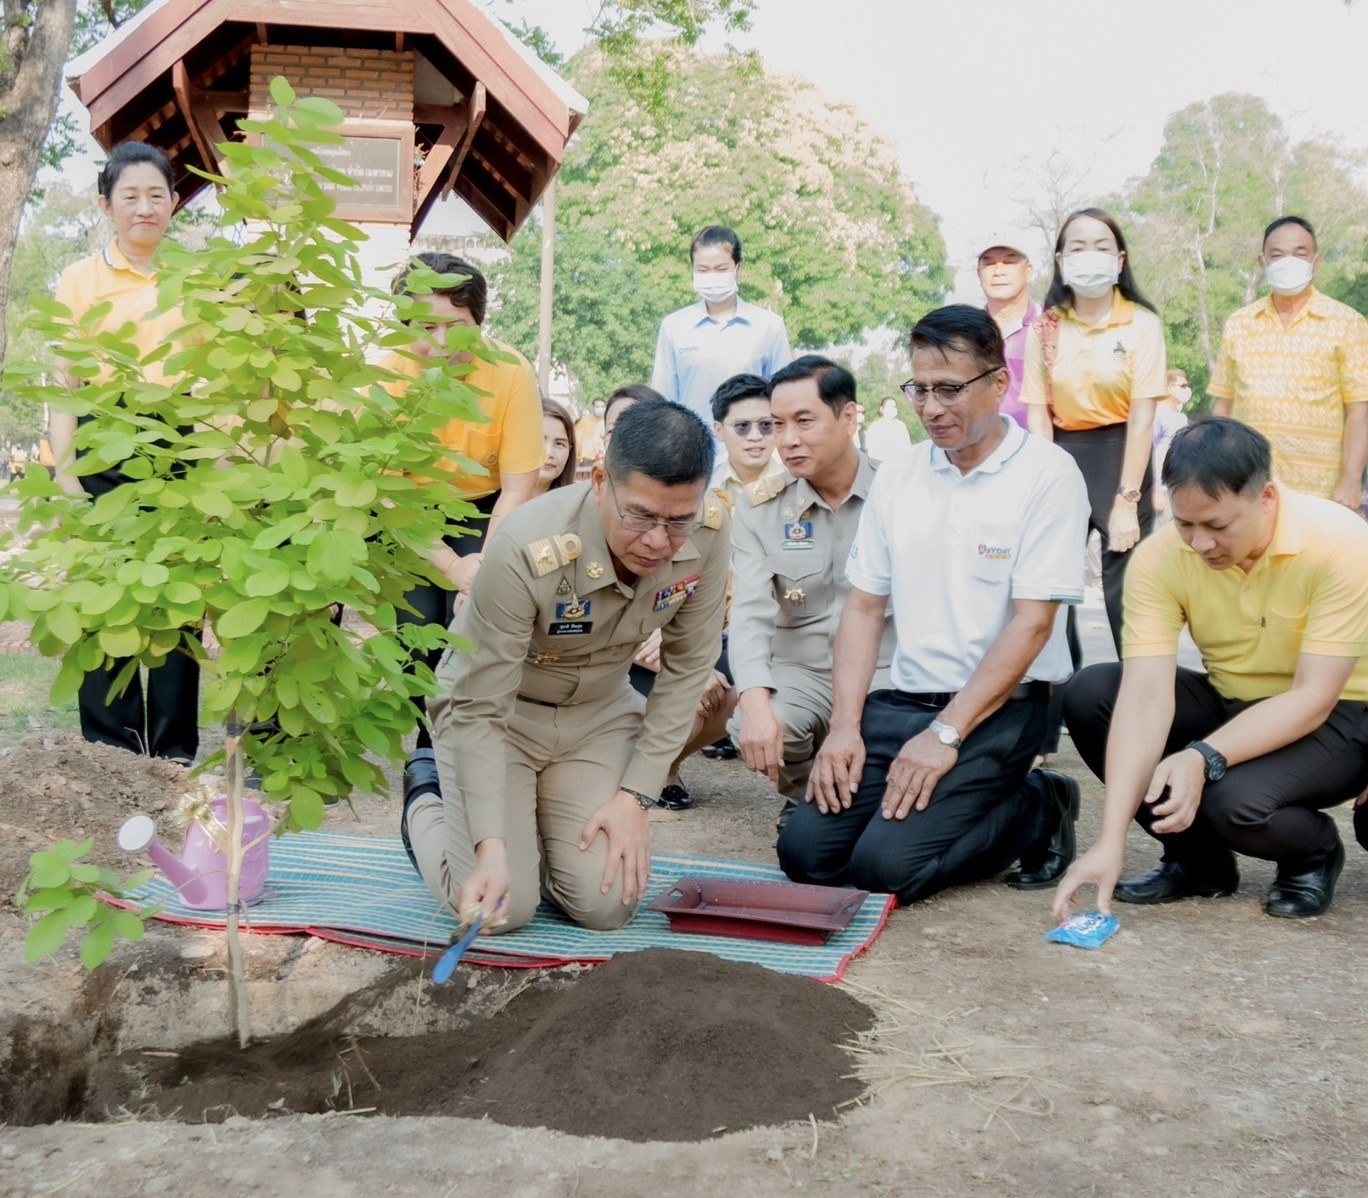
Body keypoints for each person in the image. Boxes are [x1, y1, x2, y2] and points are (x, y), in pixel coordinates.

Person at [779, 306, 1089, 903]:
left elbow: (1032, 625)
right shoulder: (900, 473)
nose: (931, 407)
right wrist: (844, 728)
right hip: (901, 702)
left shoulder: (1049, 475)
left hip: (1000, 709)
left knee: (884, 870)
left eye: (949, 389)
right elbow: (864, 609)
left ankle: (1038, 805)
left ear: (999, 383)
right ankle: (943, 799)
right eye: (918, 389)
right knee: (806, 856)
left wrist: (945, 735)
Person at [402, 399, 730, 929]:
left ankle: (538, 849)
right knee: (499, 913)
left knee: (606, 907)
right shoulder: (527, 543)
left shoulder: (710, 530)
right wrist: (489, 847)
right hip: (500, 714)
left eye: (677, 522)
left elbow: (688, 668)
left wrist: (634, 796)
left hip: (596, 715)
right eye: (640, 515)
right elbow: (481, 705)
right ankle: (426, 798)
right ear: (600, 480)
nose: (657, 540)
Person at [1054, 418, 1368, 921]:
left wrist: (1203, 757)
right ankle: (1196, 862)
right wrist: (1109, 840)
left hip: (1339, 715)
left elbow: (1314, 698)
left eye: (1217, 526)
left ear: (1266, 497)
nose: (1199, 544)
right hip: (1232, 699)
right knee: (1094, 695)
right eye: (1185, 523)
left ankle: (1313, 852)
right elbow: (1144, 699)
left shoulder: (1339, 543)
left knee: (1228, 802)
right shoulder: (1162, 557)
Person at [49, 142, 199, 763]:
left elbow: (209, 382)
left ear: (173, 203)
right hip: (102, 440)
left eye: (157, 195)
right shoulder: (79, 280)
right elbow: (65, 387)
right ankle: (111, 751)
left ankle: (171, 754)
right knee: (102, 600)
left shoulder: (194, 282)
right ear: (106, 204)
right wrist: (64, 471)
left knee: (176, 601)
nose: (145, 207)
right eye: (130, 196)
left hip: (176, 446)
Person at [384, 253, 543, 811]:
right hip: (408, 511)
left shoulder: (511, 371)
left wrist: (475, 570)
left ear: (480, 323)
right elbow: (387, 495)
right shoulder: (387, 373)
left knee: (472, 628)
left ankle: (451, 751)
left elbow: (520, 486)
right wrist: (450, 567)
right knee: (416, 627)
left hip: (488, 508)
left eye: (458, 325)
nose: (442, 340)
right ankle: (420, 750)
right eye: (425, 326)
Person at [729, 355, 898, 830]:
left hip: (884, 675)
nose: (787, 440)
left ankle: (849, 804)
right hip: (801, 672)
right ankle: (812, 796)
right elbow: (749, 613)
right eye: (776, 424)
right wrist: (755, 701)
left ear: (848, 418)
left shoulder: (900, 492)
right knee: (756, 724)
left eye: (804, 421)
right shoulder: (761, 507)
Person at [1209, 216, 1368, 508]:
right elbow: (1224, 406)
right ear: (1263, 261)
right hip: (1248, 487)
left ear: (1316, 261)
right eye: (1278, 255)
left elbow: (1359, 412)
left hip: (1319, 492)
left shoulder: (1347, 323)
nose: (1288, 261)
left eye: (1300, 253)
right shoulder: (1239, 324)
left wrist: (1350, 480)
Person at [651, 226, 792, 427]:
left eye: (721, 269)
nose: (712, 276)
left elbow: (784, 398)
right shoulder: (674, 327)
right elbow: (663, 400)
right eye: (703, 270)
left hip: (753, 448)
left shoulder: (768, 327)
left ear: (738, 268)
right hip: (693, 451)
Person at [976, 234, 1040, 429]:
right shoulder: (964, 334)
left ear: (1028, 271)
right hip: (977, 452)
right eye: (989, 264)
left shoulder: (1050, 327)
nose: (998, 271)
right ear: (979, 273)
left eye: (1009, 262)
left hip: (1039, 449)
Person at [709, 373, 783, 508]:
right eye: (742, 426)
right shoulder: (703, 487)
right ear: (719, 430)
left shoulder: (799, 482)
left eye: (766, 425)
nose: (755, 436)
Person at [1152, 369, 1192, 524]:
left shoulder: (1180, 417)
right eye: (1182, 386)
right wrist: (1156, 491)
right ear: (1170, 388)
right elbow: (1150, 453)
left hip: (1178, 485)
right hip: (1162, 488)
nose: (1187, 390)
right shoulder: (1157, 415)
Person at [536, 400, 578, 495]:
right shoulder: (496, 500)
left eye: (559, 444)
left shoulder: (578, 505)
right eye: (540, 441)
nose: (549, 453)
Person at [863, 397, 913, 463]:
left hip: (899, 466)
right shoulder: (874, 428)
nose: (893, 409)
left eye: (894, 407)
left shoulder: (901, 426)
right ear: (881, 409)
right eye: (890, 406)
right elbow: (871, 452)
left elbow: (908, 448)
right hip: (880, 466)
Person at [575, 398, 606, 467]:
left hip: (604, 458)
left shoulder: (606, 421)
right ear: (593, 407)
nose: (600, 409)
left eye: (602, 407)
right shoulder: (585, 421)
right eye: (597, 407)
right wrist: (577, 455)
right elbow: (578, 439)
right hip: (587, 458)